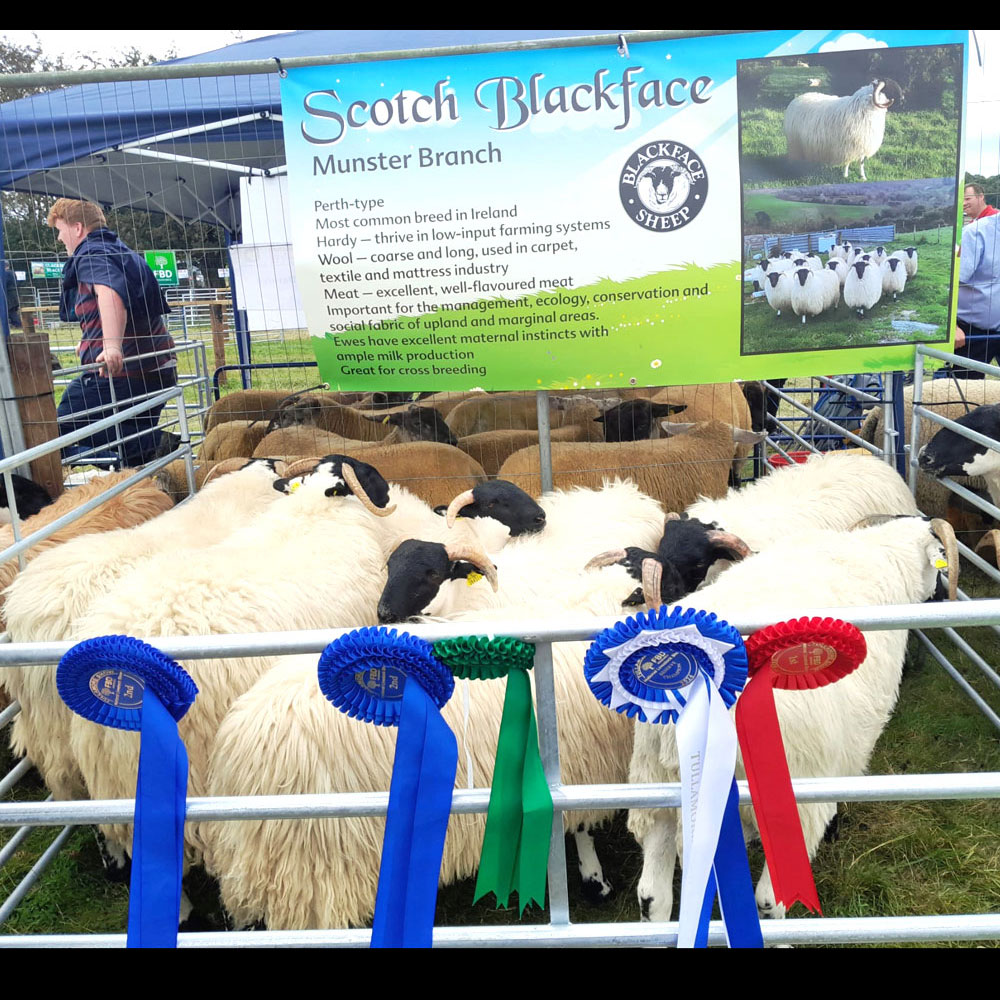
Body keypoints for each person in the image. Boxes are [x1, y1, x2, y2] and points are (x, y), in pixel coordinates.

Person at [47, 198, 177, 467]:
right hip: (156, 369)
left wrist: (111, 346)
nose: (59, 238)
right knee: (133, 442)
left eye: (60, 230)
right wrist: (90, 343)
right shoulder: (121, 252)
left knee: (55, 429)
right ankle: (143, 461)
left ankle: (155, 446)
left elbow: (110, 294)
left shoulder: (92, 254)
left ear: (78, 228)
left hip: (123, 373)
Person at [946, 208, 1000, 379]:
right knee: (965, 391)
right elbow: (947, 283)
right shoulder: (975, 234)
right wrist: (952, 326)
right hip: (972, 333)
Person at [3, 261, 19, 330]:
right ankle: (17, 325)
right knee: (12, 312)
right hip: (13, 294)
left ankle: (18, 325)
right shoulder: (12, 272)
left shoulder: (6, 273)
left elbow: (4, 283)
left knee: (10, 312)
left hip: (9, 296)